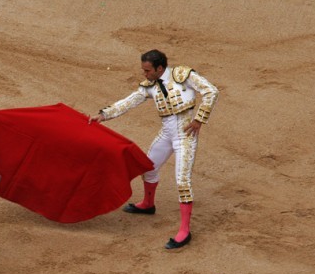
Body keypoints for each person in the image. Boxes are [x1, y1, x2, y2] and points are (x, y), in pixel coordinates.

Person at [89, 49, 219, 249]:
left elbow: (211, 91)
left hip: (185, 135)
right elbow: (129, 101)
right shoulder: (149, 86)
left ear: (160, 68)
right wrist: (104, 114)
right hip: (167, 134)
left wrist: (199, 119)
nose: (145, 74)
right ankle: (148, 204)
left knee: (182, 181)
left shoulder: (183, 76)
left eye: (148, 70)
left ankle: (185, 230)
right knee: (148, 167)